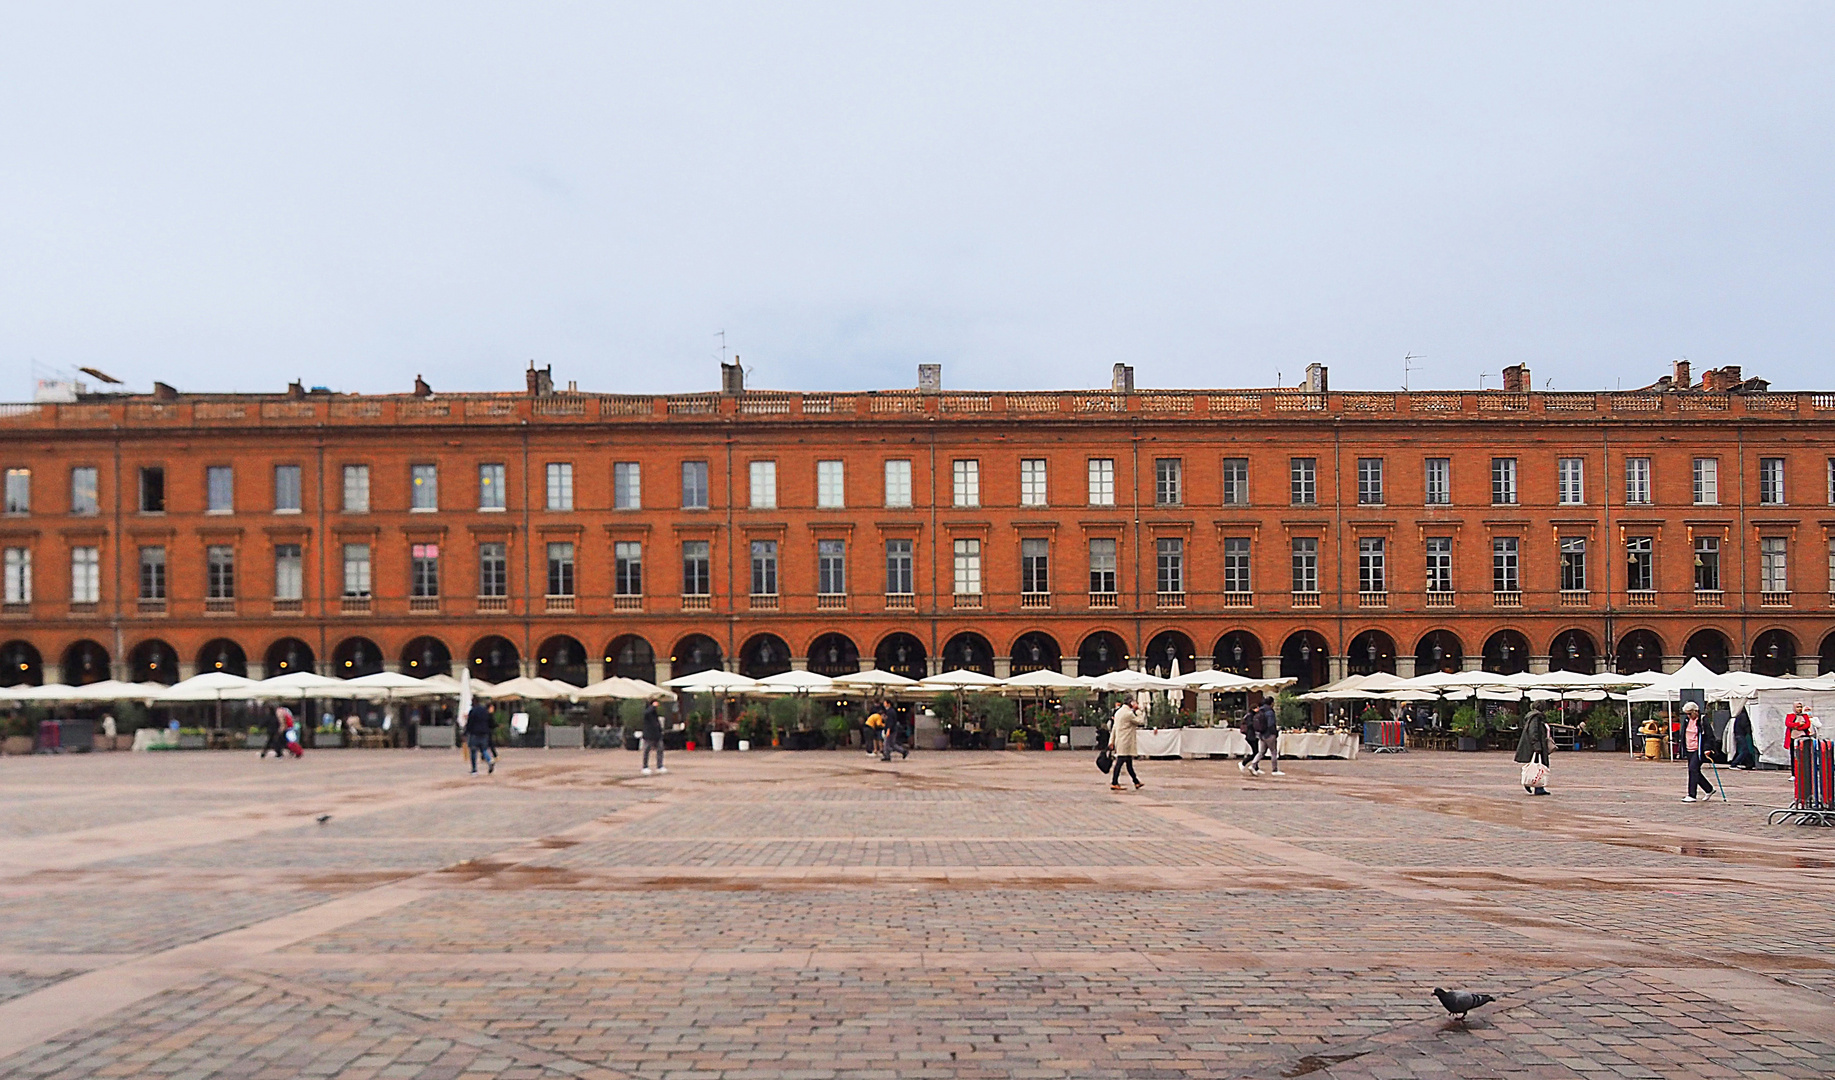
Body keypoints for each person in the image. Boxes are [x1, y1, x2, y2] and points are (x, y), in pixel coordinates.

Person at [1682, 701, 1715, 803]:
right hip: (1689, 748)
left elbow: (1709, 735)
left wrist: (1707, 748)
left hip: (1698, 749)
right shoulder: (1687, 720)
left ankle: (1692, 794)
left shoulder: (1702, 720)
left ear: (1695, 711)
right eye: (1687, 714)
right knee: (1694, 771)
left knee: (1693, 769)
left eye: (1690, 713)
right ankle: (1709, 789)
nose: (1688, 715)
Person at [1514, 708, 1553, 796]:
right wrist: (1536, 745)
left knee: (1539, 766)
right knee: (1536, 766)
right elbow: (1533, 732)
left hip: (1539, 744)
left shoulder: (1535, 717)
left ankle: (1539, 787)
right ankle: (1530, 783)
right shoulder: (1535, 718)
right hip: (1536, 745)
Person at [1109, 695, 1143, 791]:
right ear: (1131, 703)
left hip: (1120, 740)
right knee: (1120, 762)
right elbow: (1140, 721)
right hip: (1126, 741)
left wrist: (1111, 741)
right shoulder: (1128, 713)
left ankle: (1136, 781)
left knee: (1128, 763)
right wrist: (1138, 711)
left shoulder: (1118, 712)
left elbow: (1114, 728)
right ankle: (1114, 782)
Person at [1247, 700, 1283, 776]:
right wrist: (1274, 732)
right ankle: (1275, 770)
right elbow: (1271, 724)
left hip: (1261, 734)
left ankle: (1253, 765)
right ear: (1271, 703)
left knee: (1261, 752)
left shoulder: (1260, 711)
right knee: (1273, 752)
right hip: (1269, 734)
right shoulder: (1270, 712)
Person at [464, 699, 495, 774]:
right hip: (484, 733)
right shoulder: (485, 711)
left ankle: (474, 770)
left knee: (473, 751)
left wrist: (466, 732)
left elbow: (469, 723)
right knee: (484, 749)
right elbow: (490, 721)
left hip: (474, 733)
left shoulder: (472, 711)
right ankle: (489, 760)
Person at [640, 696, 667, 775]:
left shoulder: (654, 713)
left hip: (657, 734)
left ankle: (660, 766)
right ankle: (645, 767)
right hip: (649, 735)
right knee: (647, 750)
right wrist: (653, 706)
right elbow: (646, 712)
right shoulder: (648, 711)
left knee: (660, 749)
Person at [1238, 704, 1259, 774]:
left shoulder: (1251, 715)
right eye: (1256, 708)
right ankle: (1244, 763)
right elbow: (1250, 724)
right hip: (1251, 736)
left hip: (1252, 736)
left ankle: (1256, 767)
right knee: (1256, 752)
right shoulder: (1250, 716)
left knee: (1257, 752)